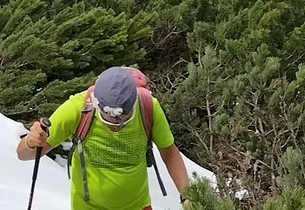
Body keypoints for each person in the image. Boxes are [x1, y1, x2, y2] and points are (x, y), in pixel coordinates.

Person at [17, 66, 191, 210]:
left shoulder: (148, 107)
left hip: (138, 206)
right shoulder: (77, 109)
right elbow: (23, 154)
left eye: (123, 119)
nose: (116, 125)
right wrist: (30, 142)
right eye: (108, 119)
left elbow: (170, 153)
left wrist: (188, 196)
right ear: (96, 102)